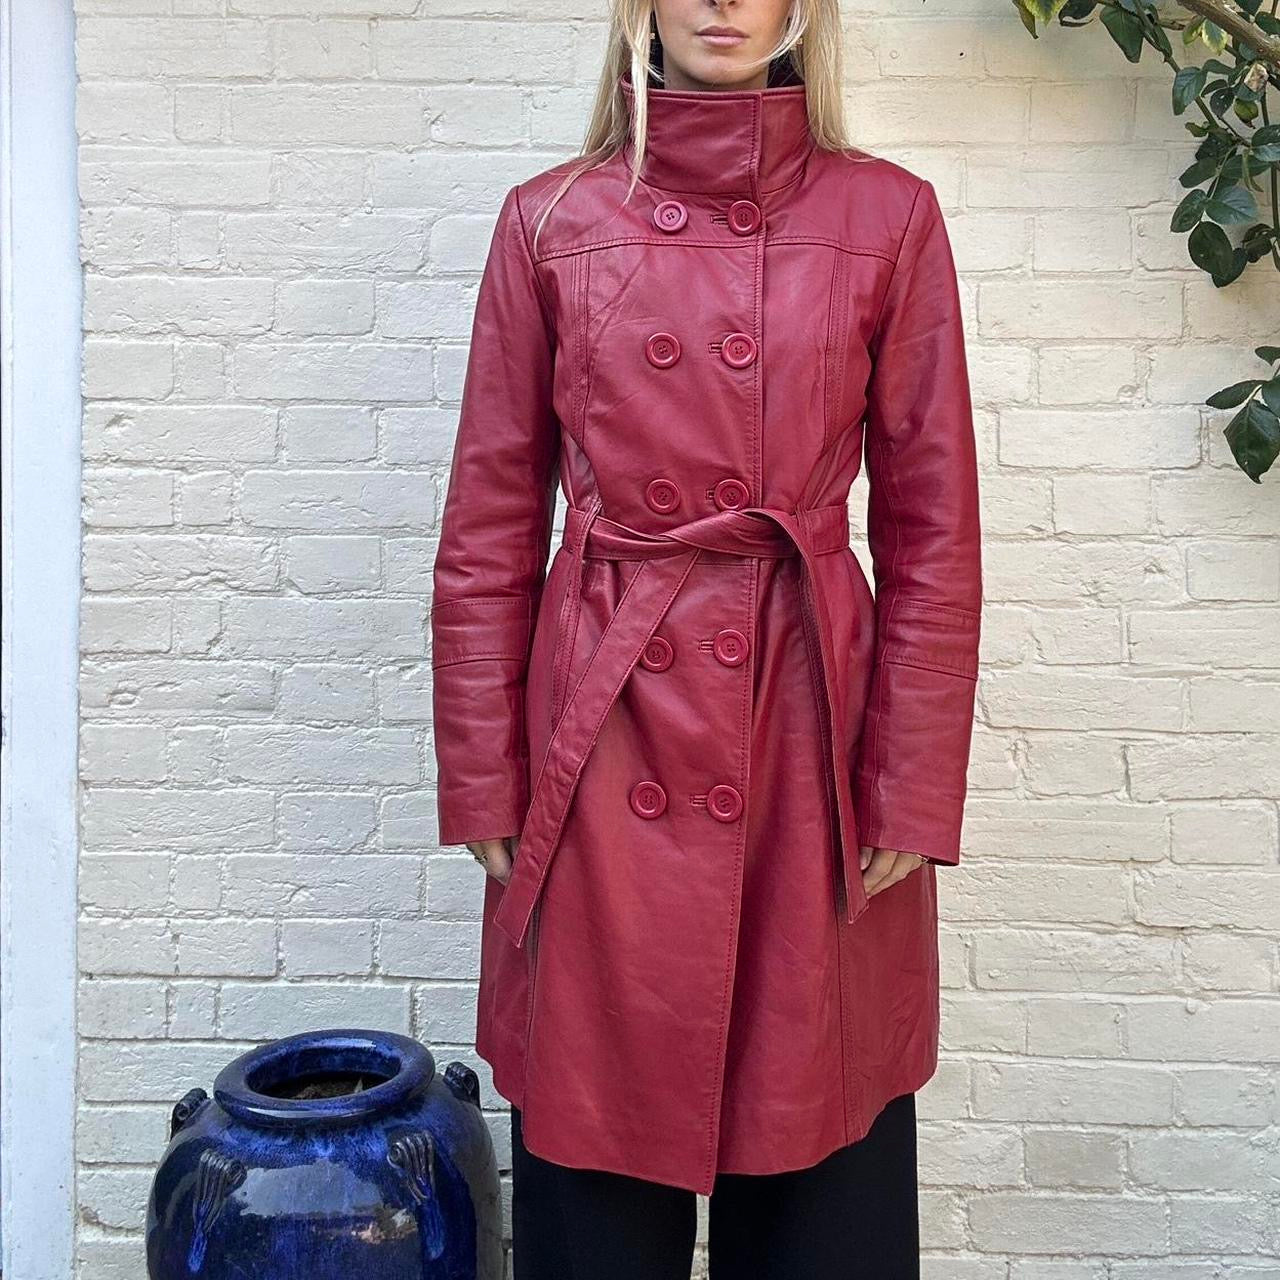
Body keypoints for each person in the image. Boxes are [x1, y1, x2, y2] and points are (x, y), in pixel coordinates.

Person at [430, 1, 983, 1275]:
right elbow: (489, 522)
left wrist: (911, 781)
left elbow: (933, 530)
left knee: (818, 1180)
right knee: (594, 1191)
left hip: (809, 741)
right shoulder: (548, 221)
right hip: (595, 744)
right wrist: (480, 773)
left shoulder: (887, 216)